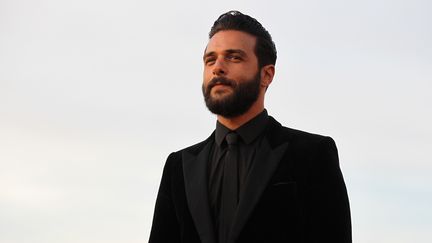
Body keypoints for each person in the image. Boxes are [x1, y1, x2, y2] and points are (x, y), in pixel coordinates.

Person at [149, 10, 351, 243]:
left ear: (266, 75)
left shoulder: (313, 154)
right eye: (210, 59)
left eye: (234, 57)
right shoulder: (179, 165)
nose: (218, 68)